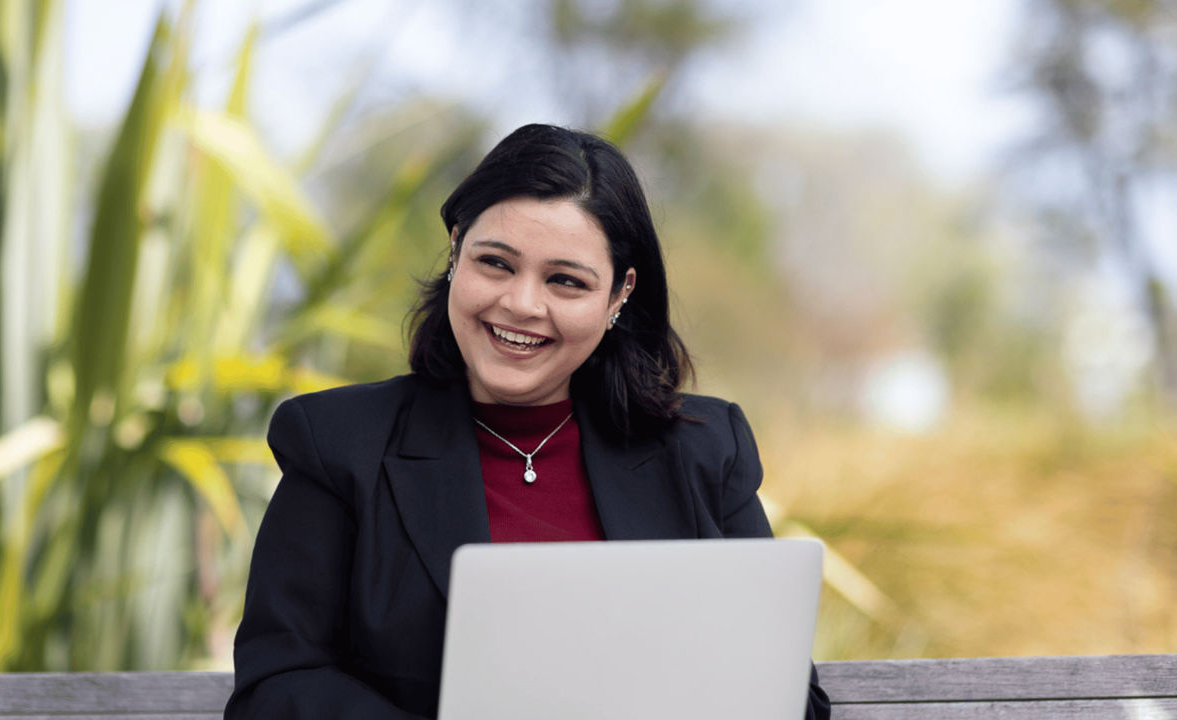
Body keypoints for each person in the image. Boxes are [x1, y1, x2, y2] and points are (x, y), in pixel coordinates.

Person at [224, 123, 831, 719]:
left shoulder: (705, 452)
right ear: (456, 249)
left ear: (618, 295)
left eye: (565, 280)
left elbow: (788, 696)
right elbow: (275, 687)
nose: (521, 304)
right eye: (496, 263)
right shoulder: (337, 445)